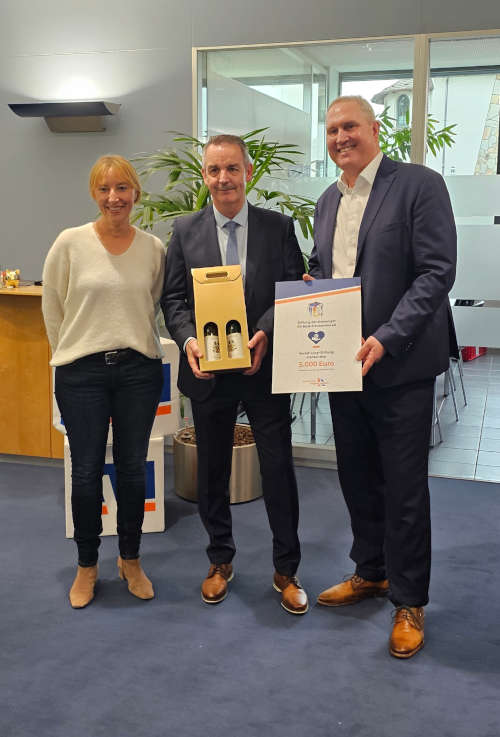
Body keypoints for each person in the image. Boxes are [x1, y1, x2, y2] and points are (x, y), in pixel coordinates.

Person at [306, 96, 456, 657]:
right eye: (331, 130)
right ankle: (371, 570)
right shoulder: (327, 200)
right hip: (342, 366)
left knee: (404, 487)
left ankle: (410, 601)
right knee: (357, 477)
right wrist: (311, 287)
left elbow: (436, 271)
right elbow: (327, 271)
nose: (340, 137)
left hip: (401, 366)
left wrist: (388, 337)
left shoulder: (418, 184)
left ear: (374, 129)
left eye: (349, 127)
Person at [162, 134, 308, 614]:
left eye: (232, 169)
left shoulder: (278, 228)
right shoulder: (185, 231)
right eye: (213, 170)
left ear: (248, 172)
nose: (223, 178)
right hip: (209, 374)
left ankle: (287, 569)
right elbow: (174, 300)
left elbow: (291, 289)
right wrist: (188, 342)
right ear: (205, 176)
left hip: (263, 368)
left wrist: (265, 330)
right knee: (213, 473)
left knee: (278, 469)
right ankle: (219, 560)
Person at [42, 154, 165, 608]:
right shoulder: (70, 243)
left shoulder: (152, 247)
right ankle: (87, 565)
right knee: (88, 471)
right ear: (94, 194)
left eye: (122, 188)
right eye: (104, 189)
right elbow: (53, 307)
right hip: (82, 374)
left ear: (135, 193)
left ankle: (130, 559)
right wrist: (72, 352)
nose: (114, 198)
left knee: (133, 470)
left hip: (138, 370)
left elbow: (150, 305)